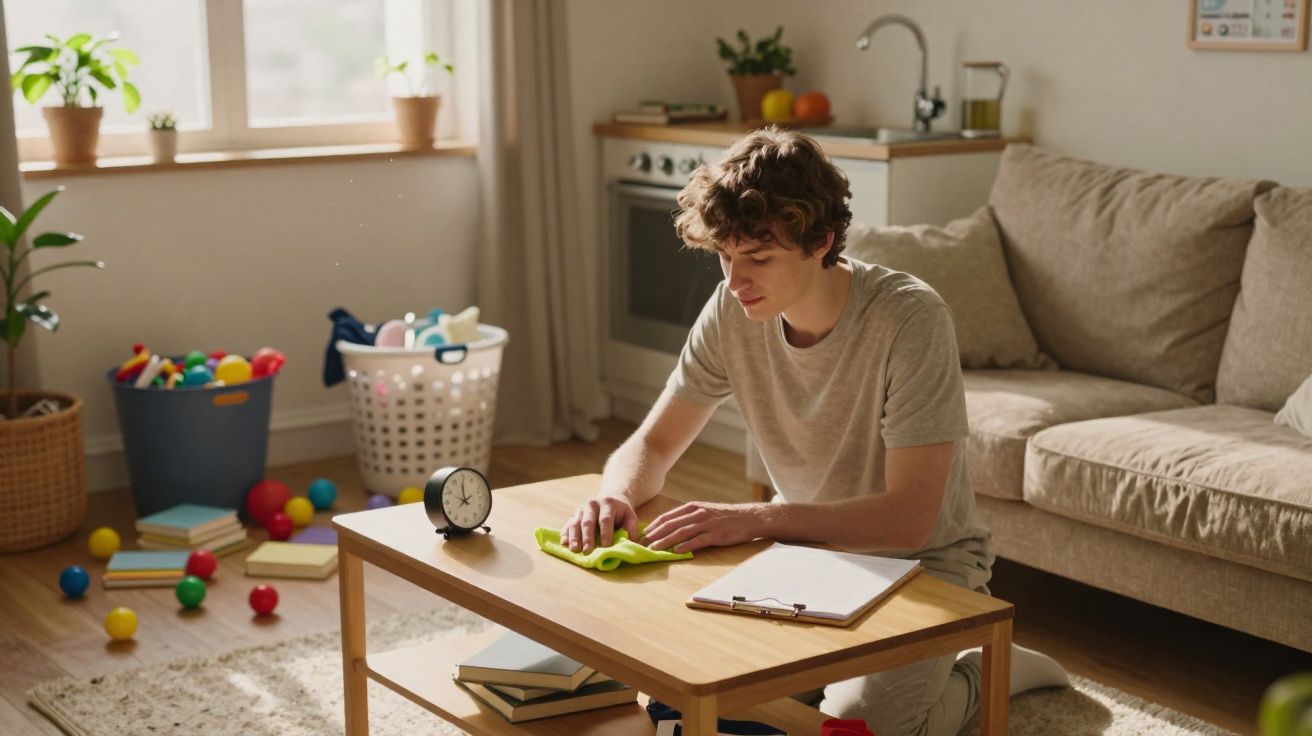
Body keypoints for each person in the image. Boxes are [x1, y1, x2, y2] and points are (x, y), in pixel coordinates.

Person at [560, 126, 1067, 736]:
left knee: (861, 729)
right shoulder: (732, 310)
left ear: (820, 241)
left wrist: (758, 520)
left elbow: (911, 516)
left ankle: (990, 673)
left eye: (759, 258)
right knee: (691, 687)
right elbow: (656, 442)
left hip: (925, 565)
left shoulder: (911, 318)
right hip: (806, 554)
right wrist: (616, 492)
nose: (734, 280)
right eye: (725, 255)